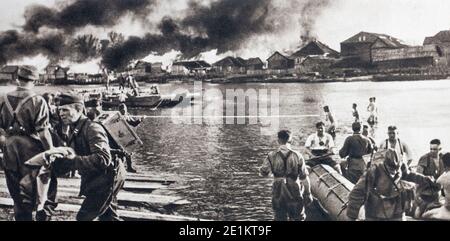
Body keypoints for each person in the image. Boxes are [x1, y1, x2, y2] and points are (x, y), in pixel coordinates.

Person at [54, 92, 126, 221]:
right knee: (109, 218)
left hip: (107, 179)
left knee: (84, 217)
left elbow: (103, 159)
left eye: (65, 109)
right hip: (97, 179)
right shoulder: (74, 128)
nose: (61, 114)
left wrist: (72, 161)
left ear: (79, 109)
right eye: (59, 110)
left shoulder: (92, 128)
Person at [0, 66, 56, 221]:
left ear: (17, 78)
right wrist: (50, 151)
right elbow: (43, 132)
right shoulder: (38, 100)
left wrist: (5, 143)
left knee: (16, 192)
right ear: (35, 81)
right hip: (31, 150)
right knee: (39, 189)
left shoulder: (2, 98)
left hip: (10, 148)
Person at [347, 149, 436, 221]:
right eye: (391, 169)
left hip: (396, 208)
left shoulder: (400, 167)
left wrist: (425, 179)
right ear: (385, 164)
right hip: (376, 211)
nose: (394, 171)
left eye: (396, 168)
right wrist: (352, 216)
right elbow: (356, 193)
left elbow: (409, 175)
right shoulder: (373, 171)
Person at [260, 130, 313, 221]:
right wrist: (308, 193)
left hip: (278, 188)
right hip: (294, 188)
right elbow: (304, 177)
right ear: (290, 140)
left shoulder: (271, 155)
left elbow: (263, 173)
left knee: (279, 217)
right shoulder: (298, 155)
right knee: (298, 217)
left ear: (278, 140)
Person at [413, 139, 444, 217]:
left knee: (432, 211)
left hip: (436, 192)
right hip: (424, 191)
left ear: (440, 149)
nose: (432, 151)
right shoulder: (425, 158)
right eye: (431, 149)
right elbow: (417, 174)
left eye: (435, 149)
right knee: (420, 209)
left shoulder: (443, 159)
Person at [118, 103, 142, 173]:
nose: (124, 111)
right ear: (119, 110)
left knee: (129, 152)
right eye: (122, 110)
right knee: (122, 153)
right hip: (119, 137)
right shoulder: (118, 117)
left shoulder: (127, 116)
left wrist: (140, 119)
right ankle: (121, 168)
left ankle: (129, 167)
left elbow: (134, 123)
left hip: (126, 136)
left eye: (125, 109)